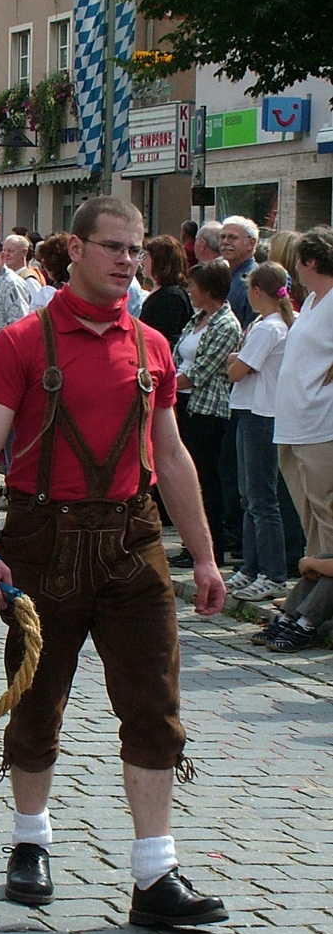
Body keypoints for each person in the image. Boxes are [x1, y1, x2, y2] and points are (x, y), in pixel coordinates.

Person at [0, 195, 228, 929]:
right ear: (72, 251)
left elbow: (169, 457)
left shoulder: (152, 346)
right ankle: (29, 838)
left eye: (133, 248)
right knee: (37, 697)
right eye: (110, 246)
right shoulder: (19, 343)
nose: (124, 260)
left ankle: (154, 873)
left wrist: (202, 556)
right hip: (43, 539)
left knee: (153, 703)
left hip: (133, 539)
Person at [269, 226, 333, 649]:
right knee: (312, 526)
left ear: (310, 262)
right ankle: (301, 606)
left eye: (298, 261)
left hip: (321, 424)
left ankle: (309, 616)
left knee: (328, 525)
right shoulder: (310, 300)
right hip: (292, 423)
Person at [225, 262, 293, 602]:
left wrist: (234, 361)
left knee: (263, 499)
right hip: (248, 411)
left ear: (256, 291)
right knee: (247, 496)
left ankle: (273, 573)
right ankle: (250, 567)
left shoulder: (271, 328)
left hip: (262, 415)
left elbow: (237, 370)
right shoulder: (260, 323)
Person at [170, 259, 240, 568]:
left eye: (193, 286)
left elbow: (202, 372)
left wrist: (164, 386)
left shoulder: (226, 325)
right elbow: (178, 356)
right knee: (187, 477)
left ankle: (211, 547)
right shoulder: (197, 318)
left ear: (208, 290)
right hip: (181, 402)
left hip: (206, 410)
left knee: (204, 478)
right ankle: (190, 544)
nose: (189, 290)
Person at [140, 236, 192, 344]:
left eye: (147, 256)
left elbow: (164, 338)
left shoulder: (171, 296)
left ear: (159, 261)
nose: (142, 260)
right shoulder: (160, 290)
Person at [219, 215, 259, 330]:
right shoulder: (223, 275)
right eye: (222, 237)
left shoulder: (255, 279)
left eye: (233, 237)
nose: (225, 242)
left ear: (251, 243)